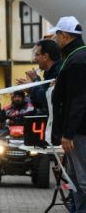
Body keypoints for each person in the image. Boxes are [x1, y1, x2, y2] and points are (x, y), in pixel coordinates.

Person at [50, 16, 86, 212]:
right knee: (76, 179)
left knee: (82, 180)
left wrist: (68, 133)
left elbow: (78, 100)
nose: (56, 41)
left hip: (78, 133)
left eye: (57, 36)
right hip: (76, 131)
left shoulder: (77, 60)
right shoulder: (76, 57)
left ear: (64, 36)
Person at [16, 39, 62, 114]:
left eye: (37, 55)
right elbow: (41, 105)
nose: (35, 59)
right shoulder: (49, 73)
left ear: (45, 56)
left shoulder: (59, 72)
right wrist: (31, 88)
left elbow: (47, 98)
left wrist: (32, 86)